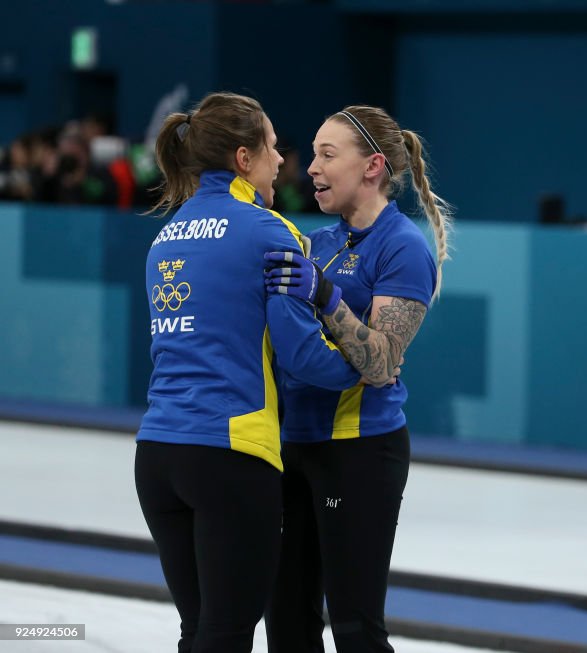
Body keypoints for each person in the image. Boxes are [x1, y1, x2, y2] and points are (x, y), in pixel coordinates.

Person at [135, 91, 364, 653]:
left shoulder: (165, 236)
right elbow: (302, 355)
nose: (281, 160)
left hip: (157, 453)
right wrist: (363, 368)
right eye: (270, 146)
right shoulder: (269, 232)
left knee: (201, 631)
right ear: (243, 158)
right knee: (228, 633)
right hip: (230, 456)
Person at [262, 105, 451, 653]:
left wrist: (325, 296)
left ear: (373, 166)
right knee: (287, 623)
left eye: (327, 155)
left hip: (359, 452)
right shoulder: (316, 242)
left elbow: (382, 362)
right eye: (313, 155)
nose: (310, 169)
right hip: (291, 446)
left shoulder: (402, 247)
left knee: (354, 628)